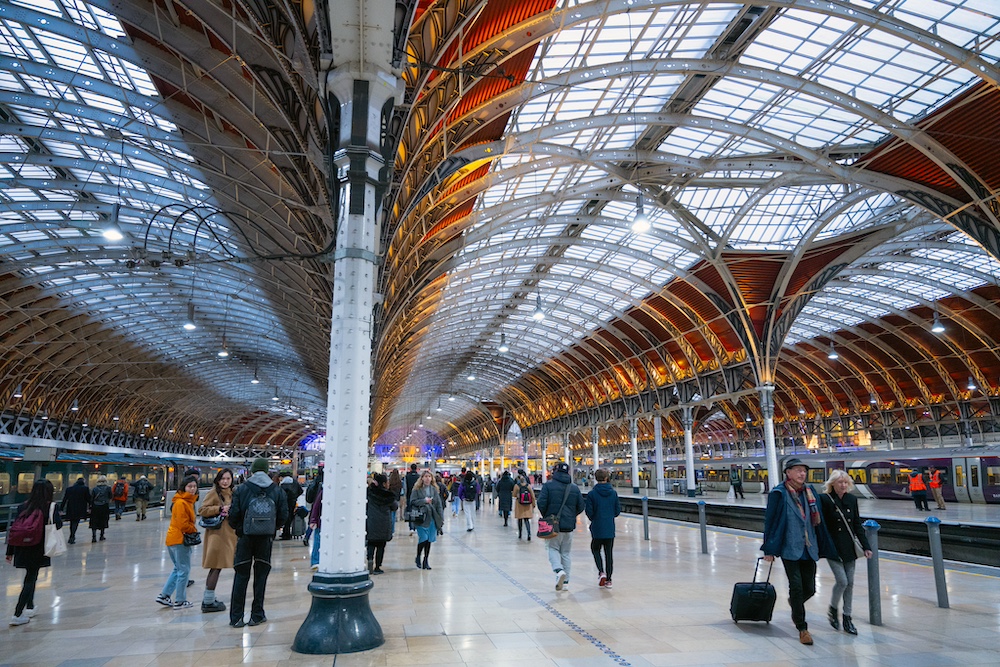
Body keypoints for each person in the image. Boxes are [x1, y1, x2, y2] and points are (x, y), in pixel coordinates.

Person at [762, 457, 832, 646]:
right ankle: (802, 628)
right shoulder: (779, 493)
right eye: (798, 470)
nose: (802, 474)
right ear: (788, 473)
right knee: (797, 586)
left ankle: (795, 603)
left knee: (809, 588)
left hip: (809, 548)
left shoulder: (811, 492)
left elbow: (820, 520)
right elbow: (770, 522)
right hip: (789, 548)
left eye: (804, 471)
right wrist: (768, 548)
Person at [227, 457, 287, 627]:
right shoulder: (277, 490)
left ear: (252, 470)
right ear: (267, 471)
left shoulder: (241, 489)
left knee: (241, 575)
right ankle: (257, 614)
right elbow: (283, 515)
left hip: (245, 539)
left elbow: (233, 515)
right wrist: (272, 529)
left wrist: (240, 530)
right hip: (265, 540)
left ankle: (236, 617)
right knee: (261, 577)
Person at [819, 470, 872, 636]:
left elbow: (857, 524)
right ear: (832, 484)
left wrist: (866, 546)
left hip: (849, 547)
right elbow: (822, 526)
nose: (843, 485)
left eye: (845, 482)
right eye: (840, 482)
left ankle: (847, 617)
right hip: (833, 548)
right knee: (842, 581)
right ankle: (833, 609)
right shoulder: (825, 500)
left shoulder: (852, 499)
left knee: (850, 583)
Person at [6, 480, 61, 626]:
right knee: (30, 579)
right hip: (38, 547)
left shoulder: (23, 506)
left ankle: (30, 607)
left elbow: (15, 529)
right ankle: (17, 614)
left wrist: (9, 551)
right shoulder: (50, 506)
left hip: (21, 547)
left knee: (31, 575)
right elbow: (58, 525)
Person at [536, 462, 585, 591]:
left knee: (552, 549)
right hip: (568, 526)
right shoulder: (574, 488)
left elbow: (541, 502)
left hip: (553, 525)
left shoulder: (548, 486)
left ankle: (558, 571)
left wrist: (548, 516)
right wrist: (571, 516)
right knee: (566, 553)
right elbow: (581, 506)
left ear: (554, 472)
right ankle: (566, 582)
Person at [156, 475, 199, 609]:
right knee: (184, 570)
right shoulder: (181, 503)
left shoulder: (184, 501)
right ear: (183, 487)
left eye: (194, 486)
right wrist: (194, 529)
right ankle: (180, 600)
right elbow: (183, 524)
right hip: (180, 539)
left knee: (178, 568)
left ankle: (164, 595)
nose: (192, 489)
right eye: (189, 486)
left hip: (173, 538)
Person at [199, 468, 236, 613]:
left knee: (218, 567)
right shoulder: (213, 493)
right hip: (217, 536)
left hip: (229, 535)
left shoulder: (234, 493)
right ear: (218, 480)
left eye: (228, 478)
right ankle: (207, 601)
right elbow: (202, 510)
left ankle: (209, 598)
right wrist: (220, 509)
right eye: (222, 479)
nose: (225, 481)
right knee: (215, 567)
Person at [585, 468, 621, 588]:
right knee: (608, 553)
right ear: (607, 478)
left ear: (595, 478)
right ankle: (609, 580)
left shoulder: (591, 494)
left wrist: (595, 518)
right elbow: (617, 511)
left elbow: (589, 512)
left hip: (597, 527)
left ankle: (601, 572)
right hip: (610, 527)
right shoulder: (613, 493)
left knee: (595, 549)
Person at [408, 470, 444, 570]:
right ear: (422, 478)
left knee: (429, 540)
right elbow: (412, 501)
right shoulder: (416, 490)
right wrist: (424, 501)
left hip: (432, 518)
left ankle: (426, 560)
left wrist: (441, 518)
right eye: (425, 476)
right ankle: (418, 556)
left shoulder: (434, 490)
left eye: (429, 476)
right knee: (423, 538)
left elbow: (439, 505)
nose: (427, 478)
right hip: (421, 518)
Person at [366, 473, 398, 574]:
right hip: (384, 523)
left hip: (371, 521)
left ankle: (370, 560)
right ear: (384, 483)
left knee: (371, 543)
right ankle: (377, 567)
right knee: (381, 546)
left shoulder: (369, 493)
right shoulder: (389, 495)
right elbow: (394, 507)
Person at [60, 477, 89, 544]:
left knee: (72, 522)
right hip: (80, 509)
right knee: (76, 522)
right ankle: (72, 536)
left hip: (70, 508)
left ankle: (72, 536)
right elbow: (88, 499)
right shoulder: (85, 489)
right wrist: (90, 506)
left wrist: (61, 508)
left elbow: (64, 499)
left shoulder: (69, 489)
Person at [513, 470, 536, 540]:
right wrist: (533, 504)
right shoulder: (528, 486)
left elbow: (514, 495)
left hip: (519, 504)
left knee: (519, 520)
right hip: (527, 505)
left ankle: (520, 534)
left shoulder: (516, 486)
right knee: (526, 520)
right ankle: (529, 533)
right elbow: (533, 496)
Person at [279, 472, 302, 540]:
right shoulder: (294, 482)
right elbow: (301, 491)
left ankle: (286, 534)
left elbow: (281, 494)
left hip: (285, 503)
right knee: (290, 517)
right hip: (293, 502)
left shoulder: (283, 483)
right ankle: (287, 533)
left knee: (285, 518)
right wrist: (295, 497)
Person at [89, 475, 112, 542]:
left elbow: (92, 498)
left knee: (94, 521)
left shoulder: (95, 489)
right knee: (103, 520)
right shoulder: (108, 488)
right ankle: (101, 535)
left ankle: (94, 537)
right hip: (104, 506)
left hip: (95, 507)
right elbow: (110, 496)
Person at [307, 483, 322, 571]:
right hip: (322, 521)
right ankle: (315, 561)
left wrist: (313, 520)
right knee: (318, 541)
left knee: (317, 541)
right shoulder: (324, 491)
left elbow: (316, 506)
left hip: (321, 521)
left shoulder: (323, 490)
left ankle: (315, 561)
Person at [404, 463, 420, 535]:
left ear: (410, 468)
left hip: (409, 496)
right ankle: (416, 526)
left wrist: (405, 495)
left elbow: (405, 487)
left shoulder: (407, 476)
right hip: (417, 497)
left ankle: (411, 528)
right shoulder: (419, 477)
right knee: (416, 511)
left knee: (410, 512)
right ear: (416, 468)